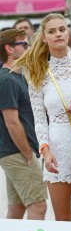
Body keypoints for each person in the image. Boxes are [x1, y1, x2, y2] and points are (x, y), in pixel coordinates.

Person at [12, 13, 71, 222]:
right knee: (63, 220)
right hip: (57, 149)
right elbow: (39, 119)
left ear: (68, 32)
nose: (58, 34)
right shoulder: (38, 73)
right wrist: (45, 151)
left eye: (62, 29)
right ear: (44, 37)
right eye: (52, 31)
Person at [0, 29, 47, 220]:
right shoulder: (8, 79)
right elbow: (12, 122)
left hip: (14, 151)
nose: (29, 48)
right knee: (38, 205)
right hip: (17, 151)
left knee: (17, 207)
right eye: (24, 45)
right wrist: (28, 154)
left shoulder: (15, 77)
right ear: (9, 49)